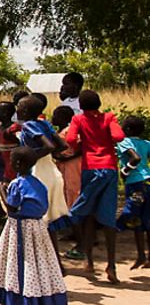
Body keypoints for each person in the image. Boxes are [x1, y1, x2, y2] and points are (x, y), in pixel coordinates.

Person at [0, 146, 68, 305]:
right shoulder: (39, 184)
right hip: (38, 227)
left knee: (18, 262)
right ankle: (40, 297)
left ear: (19, 164)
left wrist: (1, 190)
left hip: (19, 228)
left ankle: (19, 299)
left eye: (13, 161)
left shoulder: (17, 183)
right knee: (39, 262)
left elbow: (11, 207)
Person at [52, 90, 124, 283]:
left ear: (81, 106)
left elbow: (70, 140)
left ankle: (89, 261)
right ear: (99, 102)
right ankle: (111, 265)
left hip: (90, 168)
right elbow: (118, 136)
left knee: (87, 212)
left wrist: (81, 145)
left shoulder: (78, 120)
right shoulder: (109, 117)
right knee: (108, 217)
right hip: (108, 168)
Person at [16, 95, 70, 269]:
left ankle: (40, 265)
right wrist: (48, 155)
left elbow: (49, 146)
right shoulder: (44, 124)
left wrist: (29, 158)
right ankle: (57, 264)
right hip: (51, 171)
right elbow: (62, 145)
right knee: (48, 223)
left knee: (35, 220)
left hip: (38, 172)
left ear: (24, 111)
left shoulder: (29, 125)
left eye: (18, 107)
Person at [116, 116, 150, 269]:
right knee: (145, 220)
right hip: (148, 181)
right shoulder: (146, 143)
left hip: (136, 183)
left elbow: (135, 158)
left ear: (128, 130)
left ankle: (116, 227)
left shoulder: (125, 142)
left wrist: (125, 170)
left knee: (132, 214)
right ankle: (144, 257)